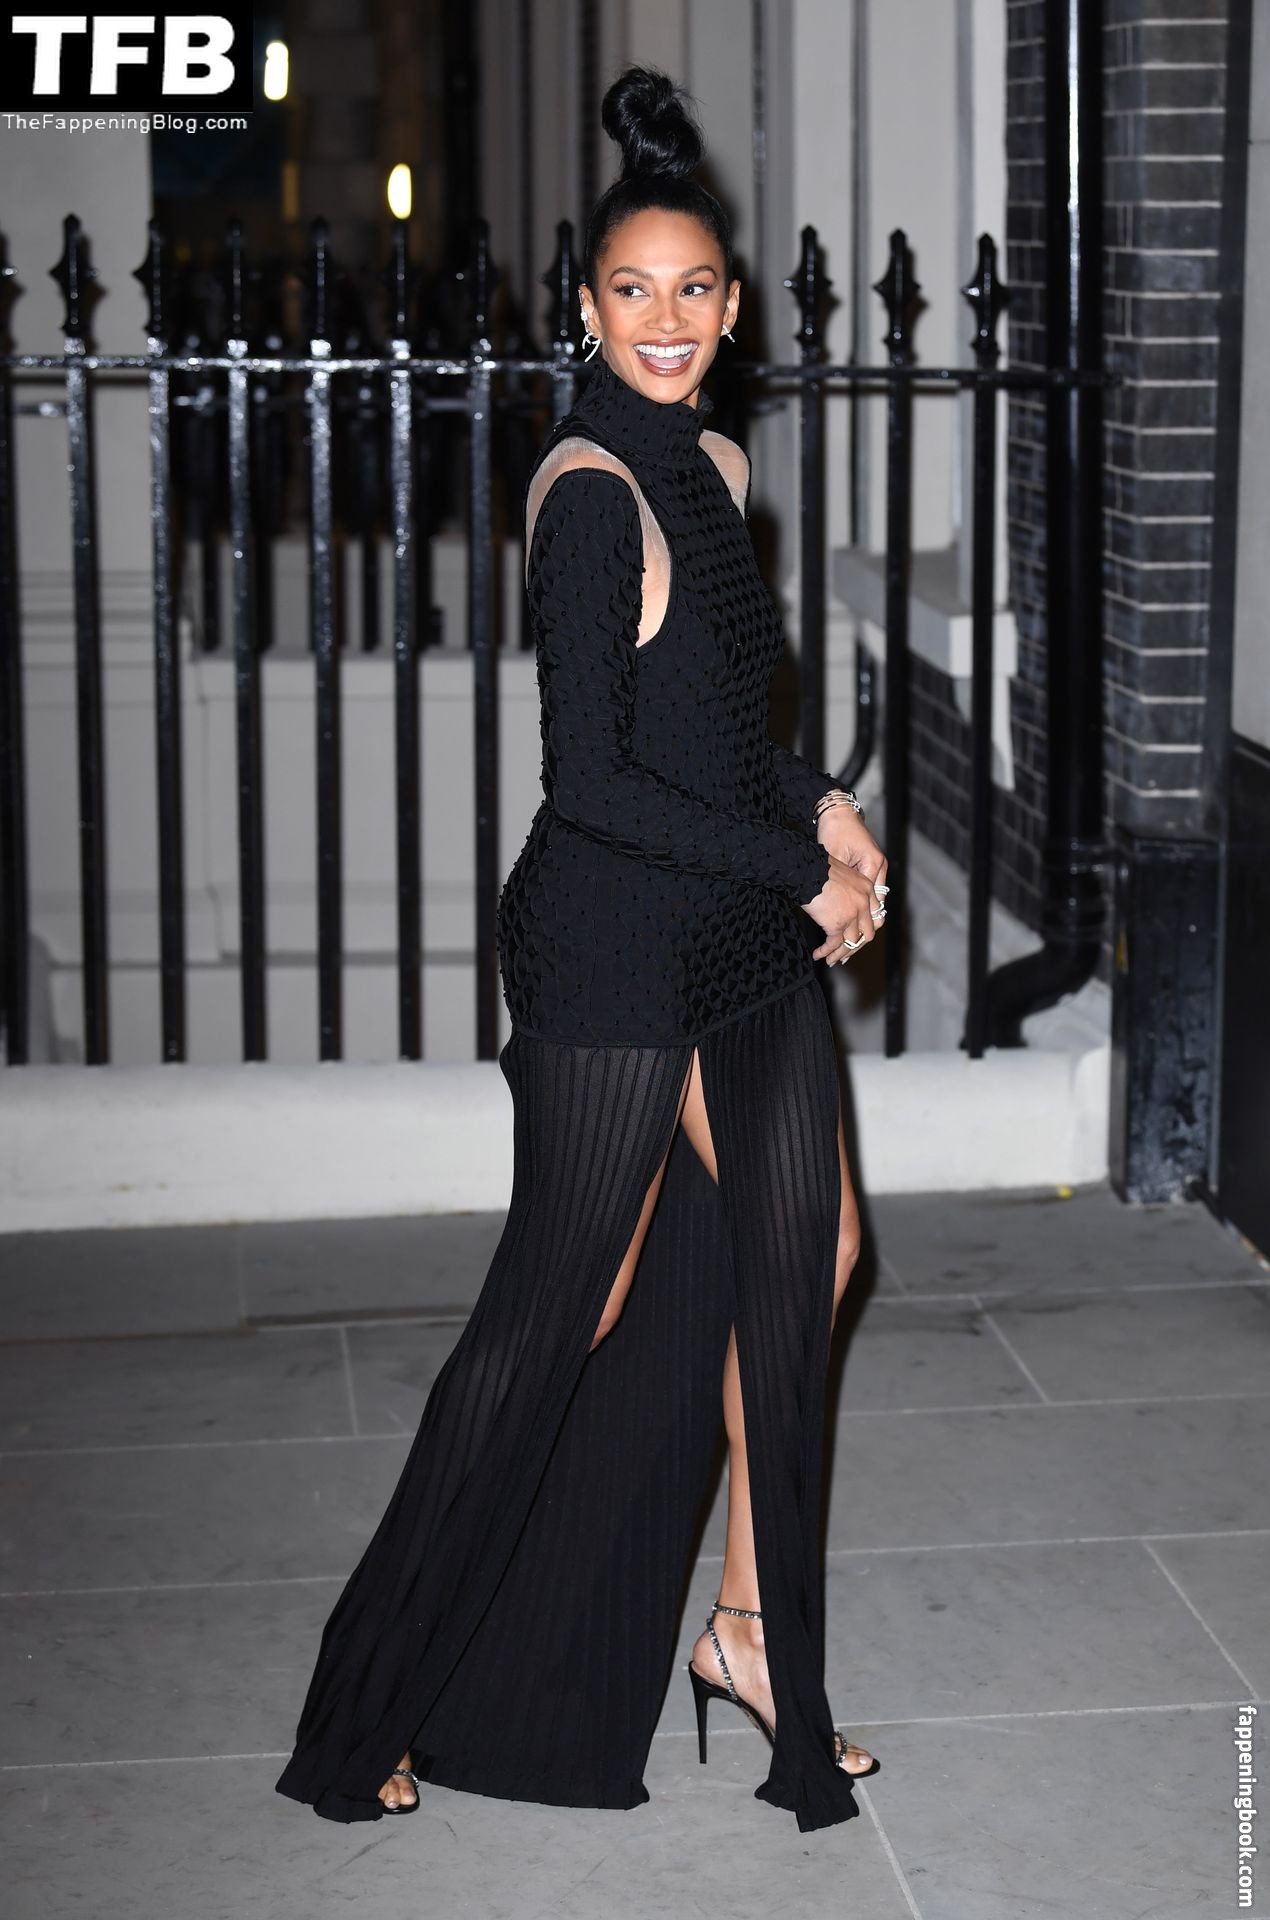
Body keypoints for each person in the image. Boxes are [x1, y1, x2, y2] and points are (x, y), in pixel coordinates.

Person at [275, 64, 888, 1838]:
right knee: (566, 1313)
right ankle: (361, 1712)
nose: (666, 319)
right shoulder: (590, 493)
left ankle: (751, 1641)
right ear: (587, 306)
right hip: (613, 945)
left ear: (734, 303)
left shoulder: (716, 461)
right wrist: (801, 871)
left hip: (733, 928)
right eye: (632, 290)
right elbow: (597, 783)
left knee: (817, 1248)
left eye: (693, 288)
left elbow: (715, 724)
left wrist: (825, 809)